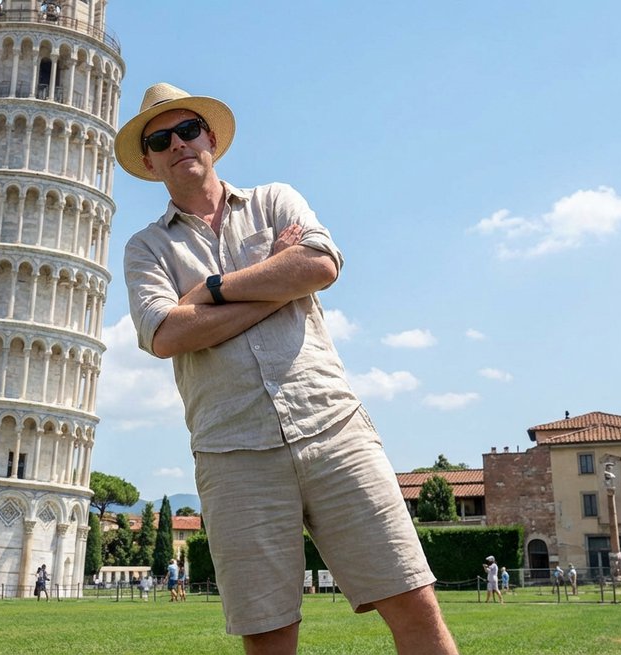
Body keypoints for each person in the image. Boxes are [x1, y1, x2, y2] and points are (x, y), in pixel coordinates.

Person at [118, 82, 457, 654]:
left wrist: (211, 291)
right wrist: (277, 281)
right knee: (269, 637)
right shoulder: (145, 248)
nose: (177, 143)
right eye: (160, 139)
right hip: (234, 453)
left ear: (211, 138)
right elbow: (167, 335)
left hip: (332, 428)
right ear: (149, 161)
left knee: (414, 603)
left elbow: (320, 266)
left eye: (188, 129)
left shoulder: (275, 199)